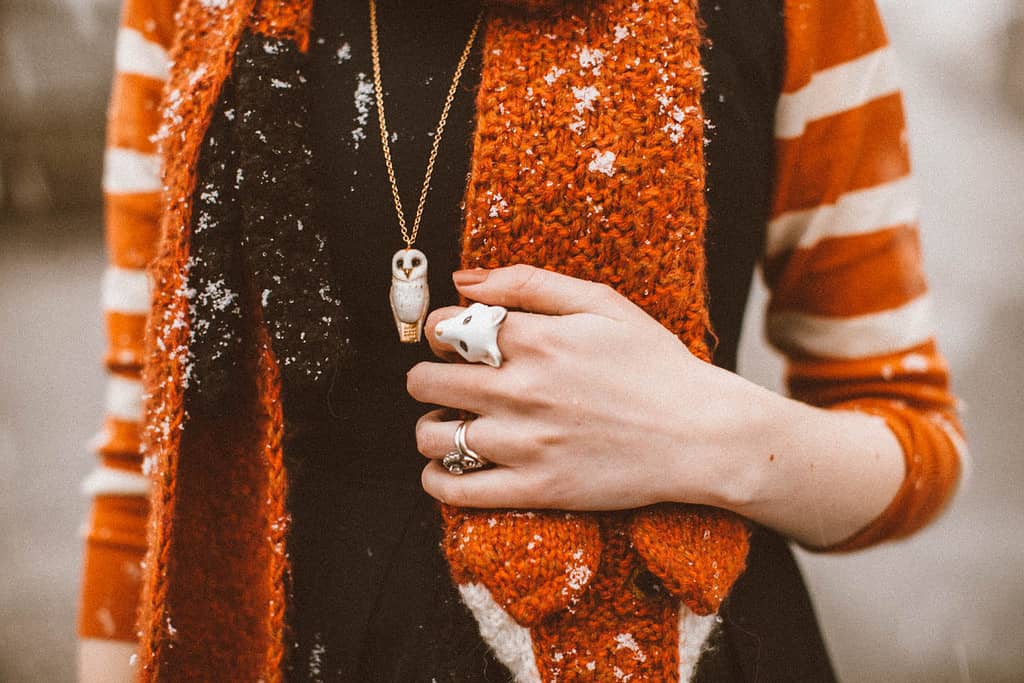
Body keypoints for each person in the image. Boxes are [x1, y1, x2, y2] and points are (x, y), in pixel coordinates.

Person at [78, 0, 966, 680]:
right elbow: (150, 450)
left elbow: (913, 436)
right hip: (297, 644)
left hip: (677, 639)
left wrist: (712, 437)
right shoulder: (192, 10)